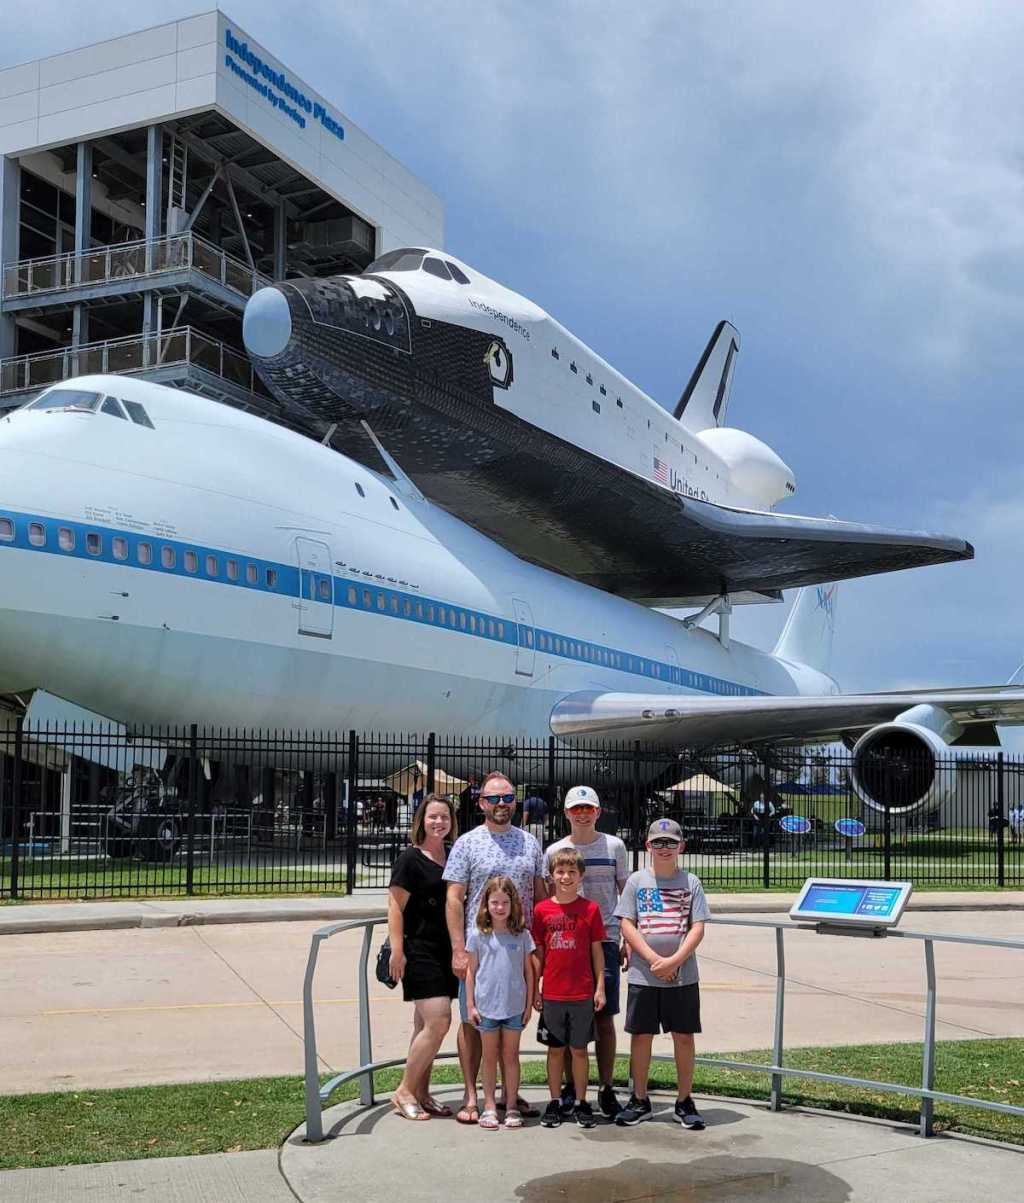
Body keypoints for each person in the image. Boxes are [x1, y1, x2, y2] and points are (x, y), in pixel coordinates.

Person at [444, 771, 546, 1125]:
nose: (501, 804)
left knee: (510, 1022)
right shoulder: (468, 843)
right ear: (481, 802)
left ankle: (508, 1094)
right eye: (494, 799)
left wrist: (539, 950)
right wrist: (459, 949)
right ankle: (472, 1095)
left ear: (515, 801)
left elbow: (540, 896)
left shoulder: (530, 844)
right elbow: (454, 898)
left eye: (507, 798)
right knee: (474, 1023)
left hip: (519, 948)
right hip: (480, 950)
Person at [614, 818, 710, 1131]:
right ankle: (639, 1098)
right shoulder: (637, 882)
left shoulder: (691, 882)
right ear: (648, 846)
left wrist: (675, 960)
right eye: (658, 842)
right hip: (645, 973)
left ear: (681, 846)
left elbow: (697, 927)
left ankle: (684, 1100)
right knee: (641, 1037)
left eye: (671, 842)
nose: (664, 848)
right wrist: (655, 959)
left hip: (682, 976)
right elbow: (627, 923)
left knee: (683, 1037)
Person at [543, 784, 629, 1119]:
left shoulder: (614, 846)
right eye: (576, 809)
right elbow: (547, 898)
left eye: (588, 808)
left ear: (597, 812)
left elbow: (626, 892)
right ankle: (568, 1088)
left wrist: (626, 938)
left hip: (604, 938)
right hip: (566, 942)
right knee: (564, 1023)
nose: (582, 814)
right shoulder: (554, 851)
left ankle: (606, 1087)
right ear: (566, 813)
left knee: (604, 1019)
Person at [387, 793, 460, 1120]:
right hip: (419, 950)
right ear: (421, 820)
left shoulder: (454, 855)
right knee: (439, 1019)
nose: (439, 822)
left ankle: (422, 1092)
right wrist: (398, 951)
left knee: (424, 1027)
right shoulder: (410, 859)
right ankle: (403, 1091)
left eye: (444, 817)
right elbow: (394, 907)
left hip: (448, 950)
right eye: (433, 817)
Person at [532, 847, 606, 1129]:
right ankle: (554, 1101)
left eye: (571, 872)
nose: (565, 877)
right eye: (560, 872)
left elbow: (597, 951)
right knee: (554, 1050)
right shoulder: (542, 911)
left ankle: (581, 1101)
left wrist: (600, 987)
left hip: (582, 993)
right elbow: (538, 952)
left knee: (578, 1050)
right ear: (551, 875)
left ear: (581, 876)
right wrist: (535, 988)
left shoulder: (590, 909)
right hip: (552, 993)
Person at [465, 875, 536, 1131]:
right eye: (494, 902)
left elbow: (529, 972)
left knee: (511, 1056)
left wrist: (528, 1006)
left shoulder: (522, 936)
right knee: (489, 1056)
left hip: (514, 1007)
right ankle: (490, 1106)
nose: (499, 907)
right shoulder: (478, 935)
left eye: (504, 902)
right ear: (486, 904)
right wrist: (471, 1005)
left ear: (513, 904)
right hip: (487, 1008)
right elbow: (472, 972)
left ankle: (512, 1105)